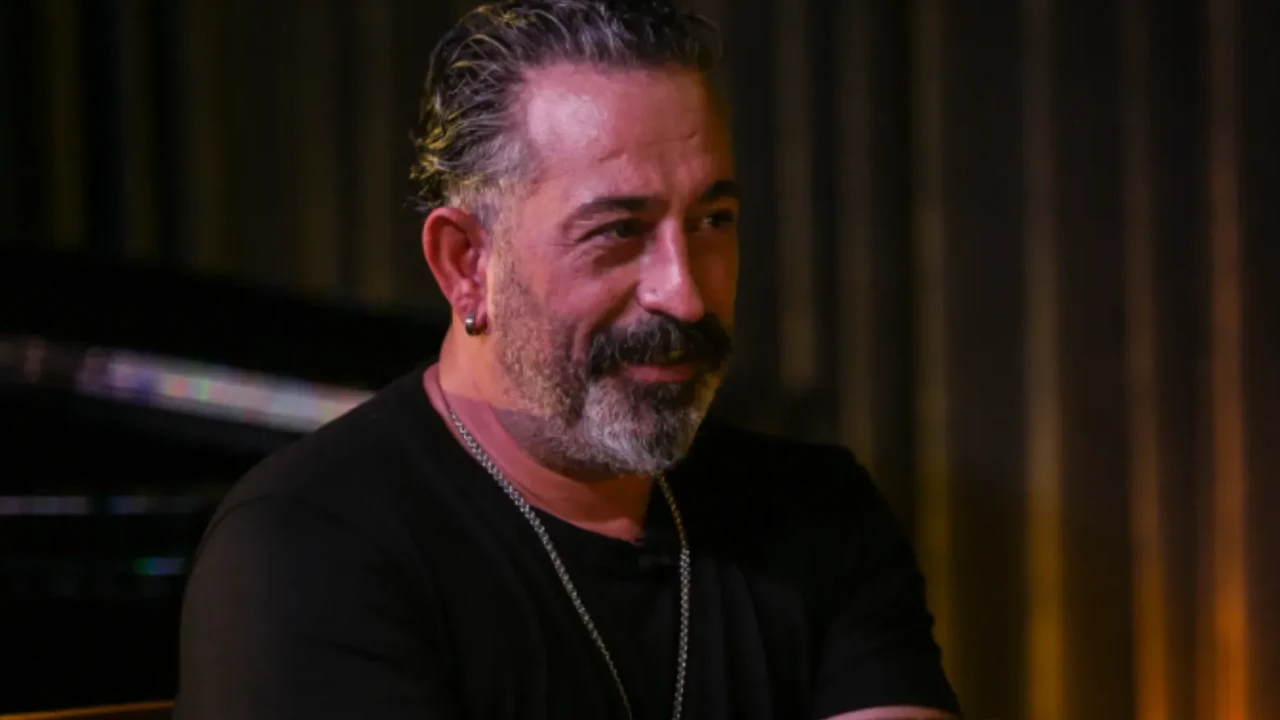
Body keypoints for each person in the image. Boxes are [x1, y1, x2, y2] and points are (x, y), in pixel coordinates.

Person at [174, 1, 961, 718]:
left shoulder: (818, 515)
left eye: (712, 221)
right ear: (466, 263)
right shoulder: (309, 547)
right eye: (618, 231)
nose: (685, 295)